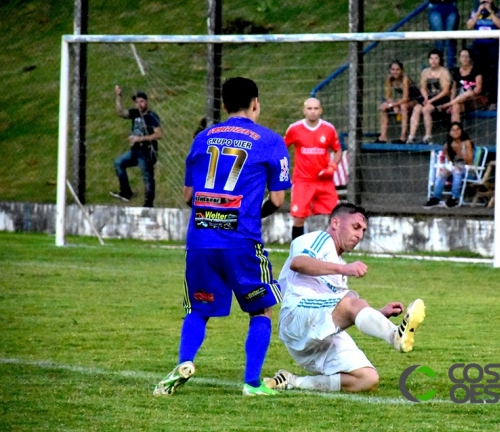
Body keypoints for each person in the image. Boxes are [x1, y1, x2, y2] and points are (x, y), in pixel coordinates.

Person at [153, 77, 291, 397]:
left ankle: (184, 362)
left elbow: (189, 195)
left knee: (198, 310)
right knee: (261, 310)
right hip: (241, 242)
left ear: (225, 105)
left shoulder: (201, 138)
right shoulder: (269, 140)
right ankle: (253, 383)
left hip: (201, 241)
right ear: (255, 103)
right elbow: (280, 200)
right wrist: (251, 214)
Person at [263, 203, 426, 393]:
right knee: (350, 300)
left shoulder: (339, 268)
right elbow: (298, 263)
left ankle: (293, 382)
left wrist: (379, 314)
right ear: (335, 222)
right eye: (355, 227)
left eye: (363, 230)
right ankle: (394, 336)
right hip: (297, 315)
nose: (359, 235)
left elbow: (341, 312)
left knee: (367, 379)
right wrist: (345, 269)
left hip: (316, 334)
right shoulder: (318, 239)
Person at [285, 98, 342, 241]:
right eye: (309, 108)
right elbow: (281, 148)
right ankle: (296, 254)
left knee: (336, 216)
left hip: (324, 180)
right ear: (304, 111)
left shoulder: (329, 129)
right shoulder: (294, 128)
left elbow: (337, 150)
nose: (312, 111)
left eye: (316, 108)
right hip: (302, 181)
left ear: (320, 110)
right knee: (299, 218)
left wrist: (332, 166)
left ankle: (333, 254)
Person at [110, 87, 162, 208]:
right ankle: (126, 192)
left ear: (146, 102)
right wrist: (118, 96)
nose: (139, 104)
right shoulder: (135, 113)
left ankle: (148, 204)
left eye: (141, 101)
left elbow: (158, 134)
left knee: (147, 176)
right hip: (135, 151)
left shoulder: (151, 116)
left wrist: (139, 139)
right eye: (137, 102)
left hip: (147, 152)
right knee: (118, 163)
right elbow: (120, 112)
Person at [424, 122, 475, 208]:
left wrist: (458, 151)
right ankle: (436, 198)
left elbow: (470, 161)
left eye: (458, 129)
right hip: (455, 168)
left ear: (461, 131)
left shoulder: (466, 143)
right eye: (453, 130)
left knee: (457, 171)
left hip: (468, 169)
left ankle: (454, 198)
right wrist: (447, 150)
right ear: (449, 132)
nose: (455, 132)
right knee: (443, 172)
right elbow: (450, 161)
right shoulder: (448, 144)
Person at [407, 49, 452, 144]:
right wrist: (426, 98)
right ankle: (411, 136)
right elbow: (422, 88)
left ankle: (428, 136)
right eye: (431, 58)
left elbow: (445, 91)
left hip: (441, 98)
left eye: (436, 58)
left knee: (426, 109)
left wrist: (432, 100)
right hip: (429, 98)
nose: (433, 61)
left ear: (440, 60)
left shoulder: (444, 72)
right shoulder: (425, 72)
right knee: (417, 108)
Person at [375, 61, 422, 144]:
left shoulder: (405, 79)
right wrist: (393, 105)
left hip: (415, 100)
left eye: (397, 69)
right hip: (403, 101)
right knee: (383, 107)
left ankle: (403, 137)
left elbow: (405, 98)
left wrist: (393, 104)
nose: (395, 72)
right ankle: (383, 136)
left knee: (403, 106)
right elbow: (388, 96)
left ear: (402, 71)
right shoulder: (389, 79)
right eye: (393, 69)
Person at [467, 0, 500, 107]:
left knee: (492, 73)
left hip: (492, 45)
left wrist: (490, 11)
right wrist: (479, 11)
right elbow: (469, 25)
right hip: (478, 45)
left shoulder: (496, 11)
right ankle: (481, 99)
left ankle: (493, 100)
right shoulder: (475, 11)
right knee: (479, 72)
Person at [437, 48, 487, 123]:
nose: (465, 59)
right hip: (461, 101)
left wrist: (466, 96)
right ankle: (455, 131)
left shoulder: (476, 70)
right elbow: (453, 90)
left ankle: (445, 105)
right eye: (462, 56)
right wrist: (452, 103)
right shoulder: (456, 71)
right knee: (455, 107)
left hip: (476, 100)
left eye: (467, 56)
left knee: (469, 92)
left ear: (470, 58)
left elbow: (478, 89)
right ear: (459, 58)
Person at [428, 0, 460, 69]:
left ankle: (451, 69)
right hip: (435, 5)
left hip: (450, 5)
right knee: (439, 41)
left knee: (450, 40)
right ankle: (438, 69)